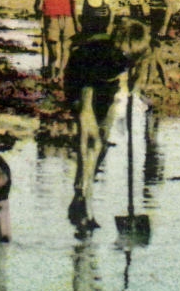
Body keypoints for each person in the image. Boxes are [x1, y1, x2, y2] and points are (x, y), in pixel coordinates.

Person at [64, 17, 151, 227]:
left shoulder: (137, 50)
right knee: (91, 142)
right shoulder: (100, 54)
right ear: (120, 44)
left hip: (106, 84)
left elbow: (139, 70)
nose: (130, 58)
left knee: (102, 143)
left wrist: (136, 91)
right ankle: (86, 202)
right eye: (127, 54)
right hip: (79, 83)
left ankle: (83, 184)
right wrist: (87, 121)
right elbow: (86, 96)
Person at [33, 0, 76, 81]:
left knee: (66, 47)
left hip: (67, 18)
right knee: (53, 50)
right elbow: (36, 7)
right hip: (51, 18)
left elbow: (73, 3)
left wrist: (76, 21)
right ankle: (52, 72)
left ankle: (61, 73)